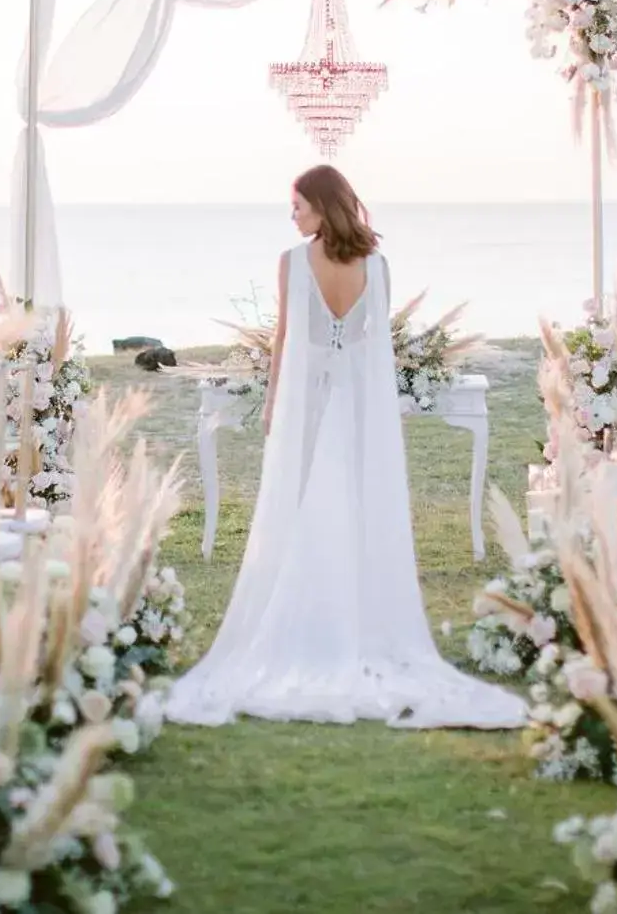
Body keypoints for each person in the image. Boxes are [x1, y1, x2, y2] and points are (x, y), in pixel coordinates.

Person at [165, 165, 524, 728]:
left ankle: (308, 619)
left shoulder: (291, 262)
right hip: (358, 399)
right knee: (353, 501)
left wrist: (272, 403)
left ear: (322, 205)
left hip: (308, 398)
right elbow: (373, 344)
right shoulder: (375, 265)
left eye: (298, 205)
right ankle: (351, 613)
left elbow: (286, 337)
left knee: (301, 499)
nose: (293, 215)